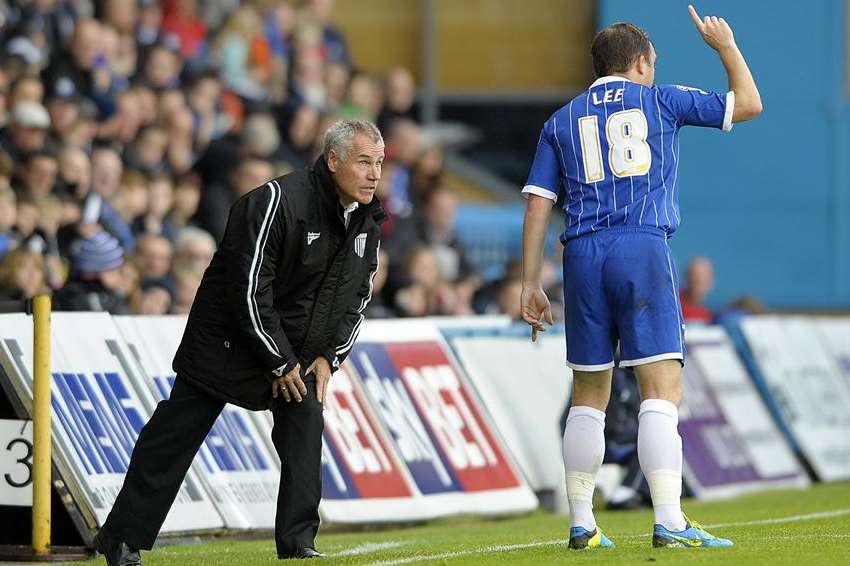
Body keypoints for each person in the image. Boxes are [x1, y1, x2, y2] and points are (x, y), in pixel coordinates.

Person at [520, 6, 761, 550]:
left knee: (588, 390)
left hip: (579, 255)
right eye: (651, 62)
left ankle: (581, 520)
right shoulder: (660, 99)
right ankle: (670, 519)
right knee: (660, 387)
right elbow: (749, 103)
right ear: (639, 64)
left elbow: (538, 204)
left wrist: (530, 281)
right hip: (641, 245)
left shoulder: (561, 120)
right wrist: (725, 46)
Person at [93, 119, 386, 564]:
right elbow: (248, 289)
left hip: (294, 351)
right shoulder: (275, 201)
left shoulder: (367, 222)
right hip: (226, 342)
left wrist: (329, 357)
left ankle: (298, 544)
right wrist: (278, 361)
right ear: (333, 160)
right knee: (173, 437)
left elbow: (356, 298)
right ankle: (121, 537)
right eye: (364, 162)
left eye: (379, 163)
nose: (374, 174)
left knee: (305, 428)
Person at [680, 256, 715, 322]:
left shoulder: (707, 314)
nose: (695, 286)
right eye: (694, 279)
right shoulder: (674, 308)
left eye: (703, 280)